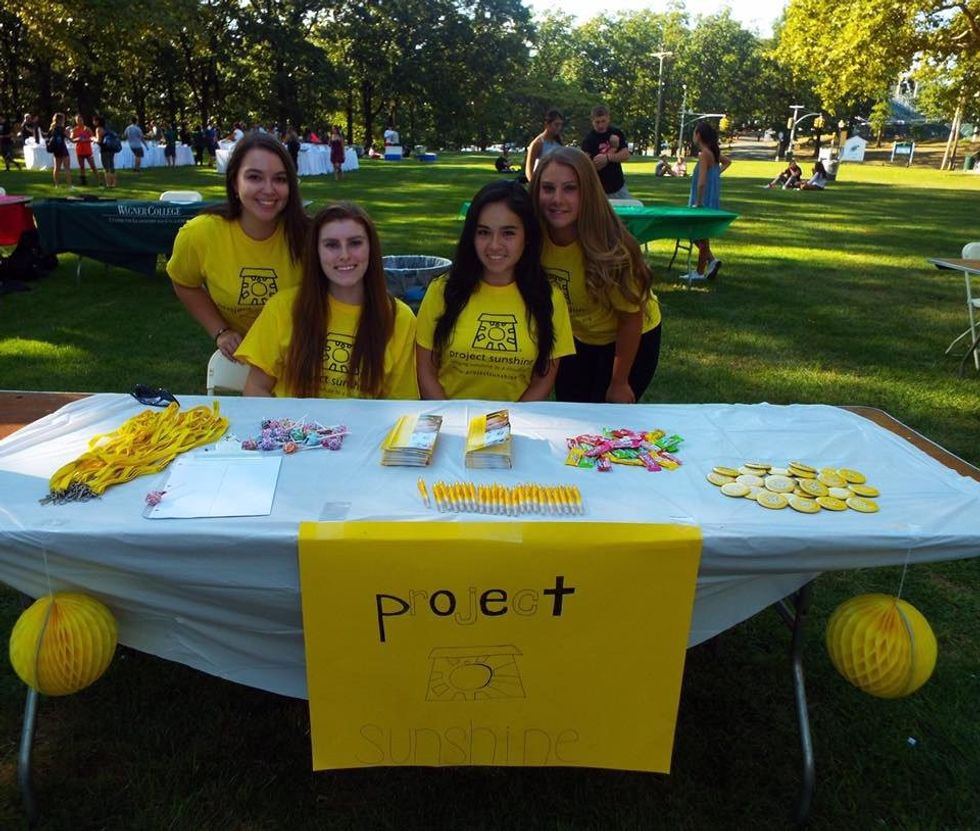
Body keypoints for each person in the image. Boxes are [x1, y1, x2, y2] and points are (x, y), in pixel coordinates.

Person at [237, 202, 418, 399]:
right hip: (291, 420)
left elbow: (401, 406)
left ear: (371, 248)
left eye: (355, 243)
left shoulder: (399, 318)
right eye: (331, 245)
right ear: (316, 252)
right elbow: (256, 388)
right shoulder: (282, 308)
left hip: (367, 421)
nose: (344, 255)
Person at [416, 180, 574, 402]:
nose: (494, 245)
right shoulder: (442, 290)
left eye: (508, 233)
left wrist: (504, 421)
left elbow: (543, 380)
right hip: (450, 418)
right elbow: (425, 371)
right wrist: (453, 418)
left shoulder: (550, 297)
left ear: (528, 236)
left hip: (516, 420)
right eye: (484, 232)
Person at [530, 146, 661, 404]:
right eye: (548, 188)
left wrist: (619, 382)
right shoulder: (533, 237)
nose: (557, 199)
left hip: (630, 339)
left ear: (588, 192)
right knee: (572, 412)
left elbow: (630, 319)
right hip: (578, 337)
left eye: (570, 188)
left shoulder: (611, 248)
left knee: (608, 416)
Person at [167, 132, 308, 360]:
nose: (269, 189)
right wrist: (220, 330)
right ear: (235, 182)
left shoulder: (312, 237)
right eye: (254, 177)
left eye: (280, 179)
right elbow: (184, 282)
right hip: (241, 360)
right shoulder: (200, 233)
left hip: (302, 358)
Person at [688, 122, 731, 281]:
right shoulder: (712, 152)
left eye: (694, 133)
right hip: (709, 198)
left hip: (702, 200)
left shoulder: (704, 154)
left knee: (699, 234)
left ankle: (700, 272)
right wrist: (716, 174)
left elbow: (701, 182)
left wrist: (698, 202)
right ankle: (712, 261)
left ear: (698, 135)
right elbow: (727, 162)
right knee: (698, 235)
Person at [580, 105, 632, 199]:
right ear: (592, 121)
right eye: (597, 122)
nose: (600, 125)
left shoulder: (616, 133)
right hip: (598, 189)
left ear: (608, 119)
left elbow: (626, 155)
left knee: (629, 207)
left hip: (618, 186)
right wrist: (613, 148)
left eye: (603, 121)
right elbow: (589, 167)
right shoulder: (588, 140)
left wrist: (608, 157)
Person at [524, 109, 564, 183]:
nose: (559, 128)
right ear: (547, 124)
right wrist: (534, 185)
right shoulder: (538, 143)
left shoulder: (558, 143)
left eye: (560, 125)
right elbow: (529, 171)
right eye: (556, 125)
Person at [70, 114, 97, 186]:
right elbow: (71, 139)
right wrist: (77, 139)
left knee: (93, 166)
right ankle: (83, 181)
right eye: (78, 120)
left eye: (81, 120)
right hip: (79, 151)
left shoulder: (87, 129)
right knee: (81, 167)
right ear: (76, 121)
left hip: (88, 150)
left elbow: (92, 138)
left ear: (83, 120)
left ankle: (99, 180)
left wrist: (86, 140)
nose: (79, 122)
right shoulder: (74, 130)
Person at [47, 113, 72, 188]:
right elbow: (70, 139)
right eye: (63, 119)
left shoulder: (52, 128)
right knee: (67, 168)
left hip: (56, 150)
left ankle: (57, 185)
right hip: (63, 149)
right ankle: (69, 186)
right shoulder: (63, 129)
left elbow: (48, 138)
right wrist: (69, 131)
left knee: (56, 168)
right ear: (61, 120)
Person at [93, 114, 117, 189]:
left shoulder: (98, 129)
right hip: (111, 149)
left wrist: (93, 139)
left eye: (94, 120)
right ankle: (114, 184)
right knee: (112, 166)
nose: (93, 122)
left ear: (97, 121)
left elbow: (99, 141)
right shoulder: (107, 128)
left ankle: (108, 184)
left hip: (104, 150)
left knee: (106, 168)